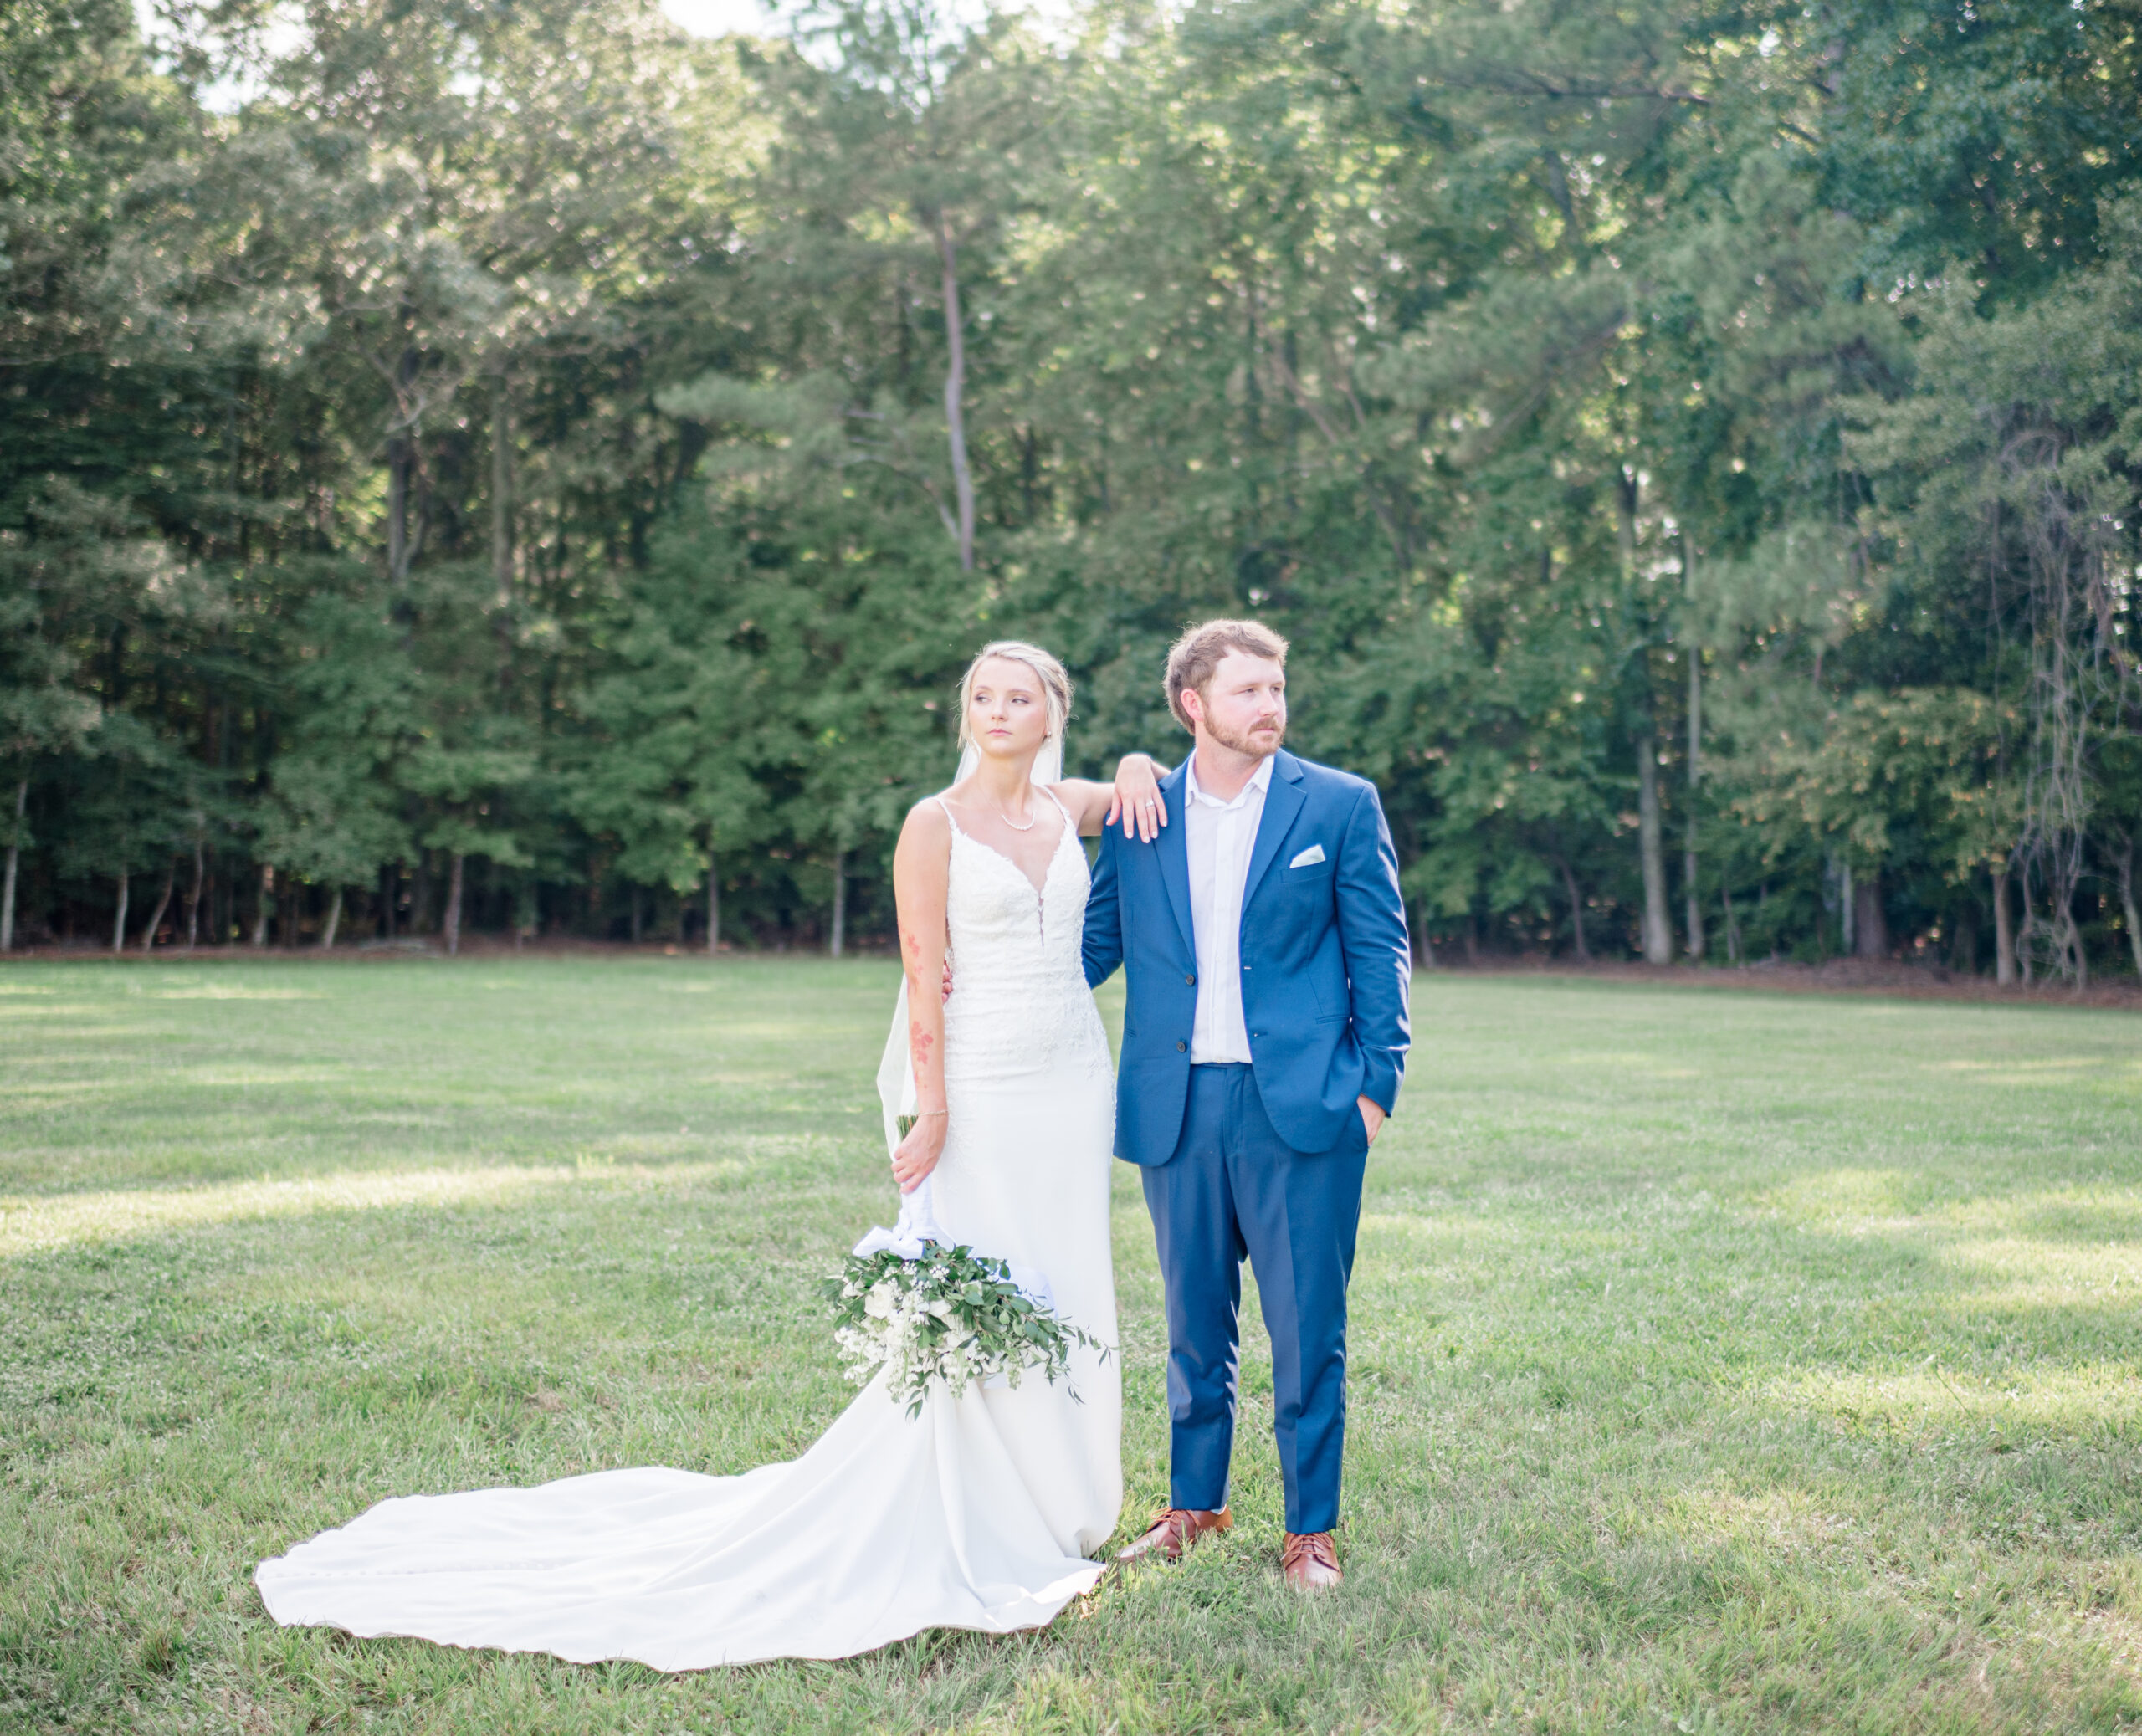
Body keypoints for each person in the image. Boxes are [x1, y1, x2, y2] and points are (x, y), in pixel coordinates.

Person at [253, 641, 1166, 1669]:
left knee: (1066, 1277)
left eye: (1020, 696)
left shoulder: (1063, 810)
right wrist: (933, 1108)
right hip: (983, 1085)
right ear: (965, 713)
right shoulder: (934, 823)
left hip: (1071, 1084)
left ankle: (1056, 1503)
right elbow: (920, 970)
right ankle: (972, 1510)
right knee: (987, 1281)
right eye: (982, 696)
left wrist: (1135, 760)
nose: (998, 710)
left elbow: (1128, 786)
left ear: (1052, 713)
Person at [1082, 619, 1411, 1592]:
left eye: (1277, 688)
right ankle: (1196, 1505)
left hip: (1302, 1110)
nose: (1271, 705)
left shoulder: (1340, 805)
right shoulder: (1142, 813)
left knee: (1309, 1330)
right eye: (1248, 692)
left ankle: (1310, 1529)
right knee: (1191, 1323)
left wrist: (1373, 1091)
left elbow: (1380, 951)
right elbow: (1091, 946)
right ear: (1194, 705)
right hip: (1175, 1106)